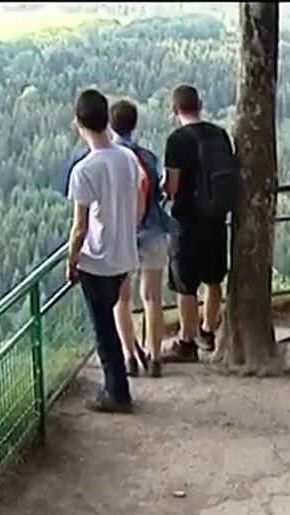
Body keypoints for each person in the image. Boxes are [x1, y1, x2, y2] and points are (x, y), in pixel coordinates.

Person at [66, 89, 146, 413]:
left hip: (96, 259)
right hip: (125, 255)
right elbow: (140, 193)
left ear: (78, 123)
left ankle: (117, 392)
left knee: (103, 329)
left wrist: (71, 261)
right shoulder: (127, 157)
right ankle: (117, 388)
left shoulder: (84, 170)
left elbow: (80, 227)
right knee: (112, 319)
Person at [161, 84, 240, 363]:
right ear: (201, 105)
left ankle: (187, 341)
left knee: (186, 284)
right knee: (213, 278)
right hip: (217, 217)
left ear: (175, 110)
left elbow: (172, 186)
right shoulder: (219, 134)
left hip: (186, 219)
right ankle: (208, 331)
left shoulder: (177, 140)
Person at [110, 98, 173, 379]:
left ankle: (129, 357)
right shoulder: (147, 156)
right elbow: (160, 191)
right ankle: (156, 357)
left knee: (122, 300)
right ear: (134, 124)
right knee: (153, 298)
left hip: (123, 234)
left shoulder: (110, 157)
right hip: (154, 230)